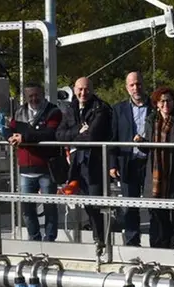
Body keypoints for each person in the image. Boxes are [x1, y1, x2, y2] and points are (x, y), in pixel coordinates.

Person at [55, 77, 112, 255]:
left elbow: (92, 137)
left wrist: (75, 137)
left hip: (94, 162)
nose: (83, 93)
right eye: (79, 89)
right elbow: (59, 135)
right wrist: (77, 131)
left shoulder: (100, 108)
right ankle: (96, 238)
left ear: (92, 90)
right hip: (75, 163)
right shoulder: (70, 108)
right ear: (74, 89)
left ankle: (100, 240)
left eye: (86, 89)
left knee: (95, 202)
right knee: (85, 203)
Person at [140, 87, 174, 249]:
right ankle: (159, 249)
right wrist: (141, 143)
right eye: (162, 101)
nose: (166, 104)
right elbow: (150, 149)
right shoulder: (151, 121)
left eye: (169, 101)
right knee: (158, 216)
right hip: (156, 178)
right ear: (156, 104)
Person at [8, 82, 63, 242]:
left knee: (50, 207)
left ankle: (50, 239)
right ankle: (34, 238)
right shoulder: (19, 112)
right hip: (25, 169)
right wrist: (9, 137)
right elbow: (9, 129)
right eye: (30, 96)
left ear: (42, 94)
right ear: (25, 97)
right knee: (27, 209)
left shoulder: (53, 111)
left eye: (36, 95)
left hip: (46, 168)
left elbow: (48, 134)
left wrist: (24, 137)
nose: (34, 98)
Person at [109, 71, 149, 246]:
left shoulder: (156, 106)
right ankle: (132, 241)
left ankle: (157, 240)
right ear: (127, 88)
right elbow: (113, 137)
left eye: (138, 84)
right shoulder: (118, 109)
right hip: (127, 161)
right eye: (132, 85)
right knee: (129, 203)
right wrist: (112, 163)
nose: (136, 88)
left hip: (150, 161)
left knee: (153, 202)